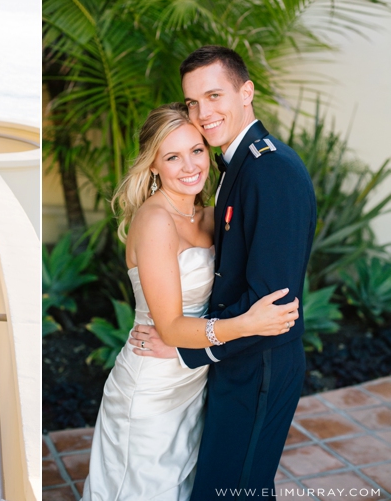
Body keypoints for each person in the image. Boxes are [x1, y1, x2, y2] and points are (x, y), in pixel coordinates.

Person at [82, 103, 300, 500]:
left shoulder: (210, 216)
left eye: (196, 150)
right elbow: (170, 328)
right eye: (172, 157)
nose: (189, 166)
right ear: (153, 166)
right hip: (154, 384)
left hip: (194, 379)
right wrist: (249, 323)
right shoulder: (155, 222)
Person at [130, 46, 317, 499]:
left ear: (246, 91)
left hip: (258, 367)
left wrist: (187, 350)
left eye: (214, 96)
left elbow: (274, 307)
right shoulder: (240, 165)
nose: (203, 112)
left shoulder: (269, 171)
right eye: (194, 102)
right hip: (236, 363)